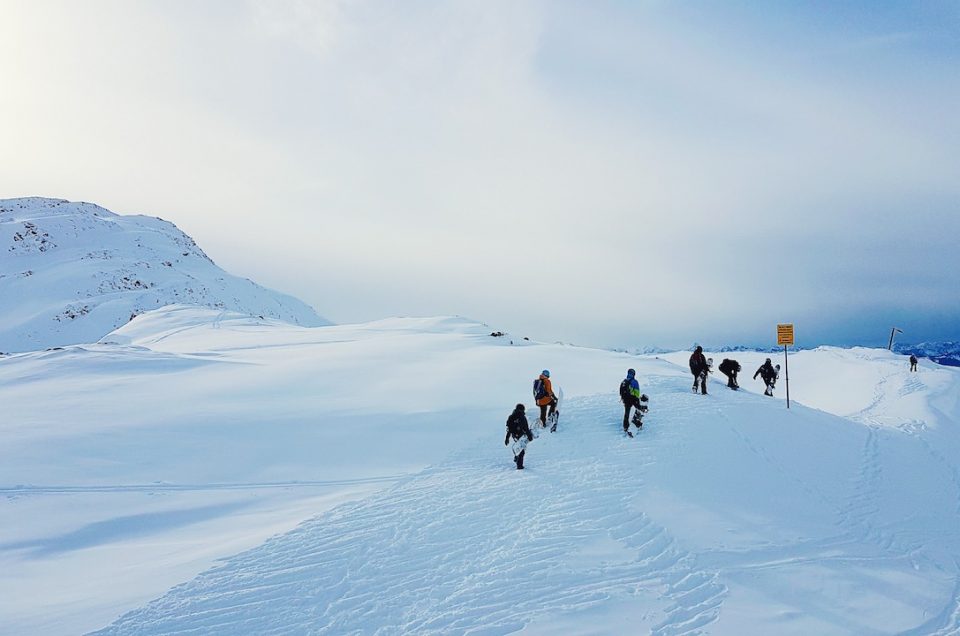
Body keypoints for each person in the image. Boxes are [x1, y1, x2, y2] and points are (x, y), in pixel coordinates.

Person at [619, 368, 648, 436]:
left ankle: (625, 427)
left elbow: (621, 392)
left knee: (627, 413)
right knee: (639, 411)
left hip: (626, 400)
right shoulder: (634, 381)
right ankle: (637, 424)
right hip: (633, 399)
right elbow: (637, 393)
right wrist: (637, 400)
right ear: (634, 374)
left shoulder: (624, 381)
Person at [504, 403, 534, 469]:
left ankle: (516, 457)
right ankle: (519, 466)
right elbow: (526, 428)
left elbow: (509, 428)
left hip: (514, 435)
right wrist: (530, 436)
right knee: (522, 450)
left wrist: (507, 438)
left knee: (519, 447)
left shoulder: (511, 416)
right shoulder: (522, 416)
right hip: (521, 434)